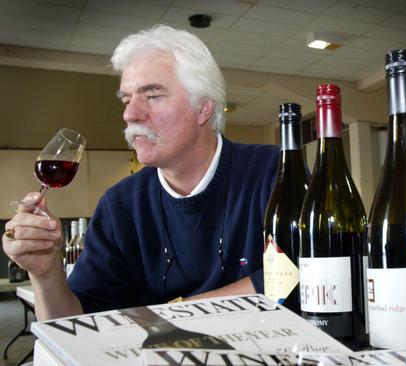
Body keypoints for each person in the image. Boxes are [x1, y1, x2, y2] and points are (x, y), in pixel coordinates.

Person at [2, 25, 278, 320]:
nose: (129, 114)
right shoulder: (119, 206)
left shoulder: (275, 172)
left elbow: (308, 273)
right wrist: (46, 274)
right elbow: (73, 323)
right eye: (126, 99)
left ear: (204, 108)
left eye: (152, 95)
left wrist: (172, 314)